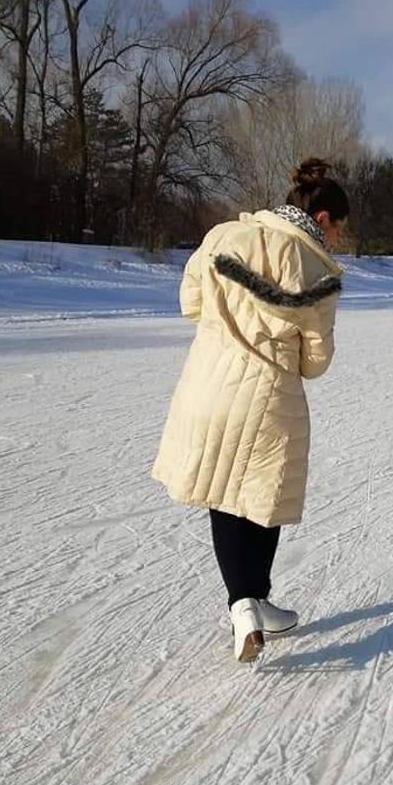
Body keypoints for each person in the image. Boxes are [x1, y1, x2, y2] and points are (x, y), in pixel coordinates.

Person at [152, 158, 348, 662]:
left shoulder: (221, 237)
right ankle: (251, 598)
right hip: (265, 397)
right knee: (262, 494)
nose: (341, 239)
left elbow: (190, 304)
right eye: (341, 227)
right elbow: (316, 361)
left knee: (225, 492)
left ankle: (248, 605)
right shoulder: (315, 269)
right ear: (322, 219)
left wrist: (227, 329)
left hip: (207, 388)